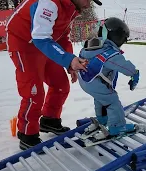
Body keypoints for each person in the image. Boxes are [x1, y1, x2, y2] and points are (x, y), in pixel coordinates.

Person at [6, 0, 102, 150]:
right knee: (34, 91)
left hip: (45, 44)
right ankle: (27, 134)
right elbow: (40, 37)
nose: (88, 5)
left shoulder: (70, 7)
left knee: (60, 85)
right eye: (87, 0)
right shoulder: (49, 3)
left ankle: (49, 120)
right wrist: (69, 60)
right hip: (24, 43)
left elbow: (62, 37)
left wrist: (69, 62)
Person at [77, 17, 142, 140]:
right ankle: (117, 126)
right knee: (112, 101)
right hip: (95, 83)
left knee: (100, 98)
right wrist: (135, 73)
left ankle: (102, 119)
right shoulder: (109, 53)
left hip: (86, 80)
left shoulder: (91, 46)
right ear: (117, 37)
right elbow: (124, 66)